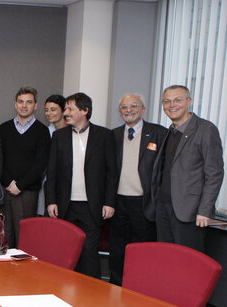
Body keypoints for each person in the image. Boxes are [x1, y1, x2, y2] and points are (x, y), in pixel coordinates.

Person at [46, 92, 118, 278]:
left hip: (92, 205)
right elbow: (52, 172)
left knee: (88, 250)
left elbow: (112, 172)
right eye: (66, 109)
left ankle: (92, 293)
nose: (66, 112)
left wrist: (109, 202)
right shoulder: (59, 136)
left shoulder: (104, 135)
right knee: (67, 249)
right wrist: (51, 201)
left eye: (70, 109)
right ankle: (68, 288)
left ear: (85, 110)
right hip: (65, 204)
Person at [151, 85, 224, 253]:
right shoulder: (171, 131)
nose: (172, 105)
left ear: (189, 102)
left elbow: (215, 174)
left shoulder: (206, 130)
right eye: (167, 101)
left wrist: (204, 211)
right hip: (163, 209)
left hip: (190, 213)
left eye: (178, 100)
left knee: (188, 264)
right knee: (166, 259)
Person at [108, 93, 166, 284]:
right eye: (124, 107)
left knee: (142, 247)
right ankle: (116, 284)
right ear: (119, 111)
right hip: (117, 201)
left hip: (144, 202)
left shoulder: (159, 133)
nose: (128, 110)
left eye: (134, 106)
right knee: (117, 247)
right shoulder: (113, 135)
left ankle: (140, 285)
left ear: (143, 109)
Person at [0, 86, 50, 246]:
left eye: (29, 102)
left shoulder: (42, 131)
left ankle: (22, 271)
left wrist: (20, 185)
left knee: (24, 238)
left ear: (36, 105)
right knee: (5, 235)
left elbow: (41, 164)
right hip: (5, 190)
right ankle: (4, 271)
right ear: (15, 104)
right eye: (21, 101)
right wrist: (9, 182)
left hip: (27, 192)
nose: (24, 105)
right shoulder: (4, 128)